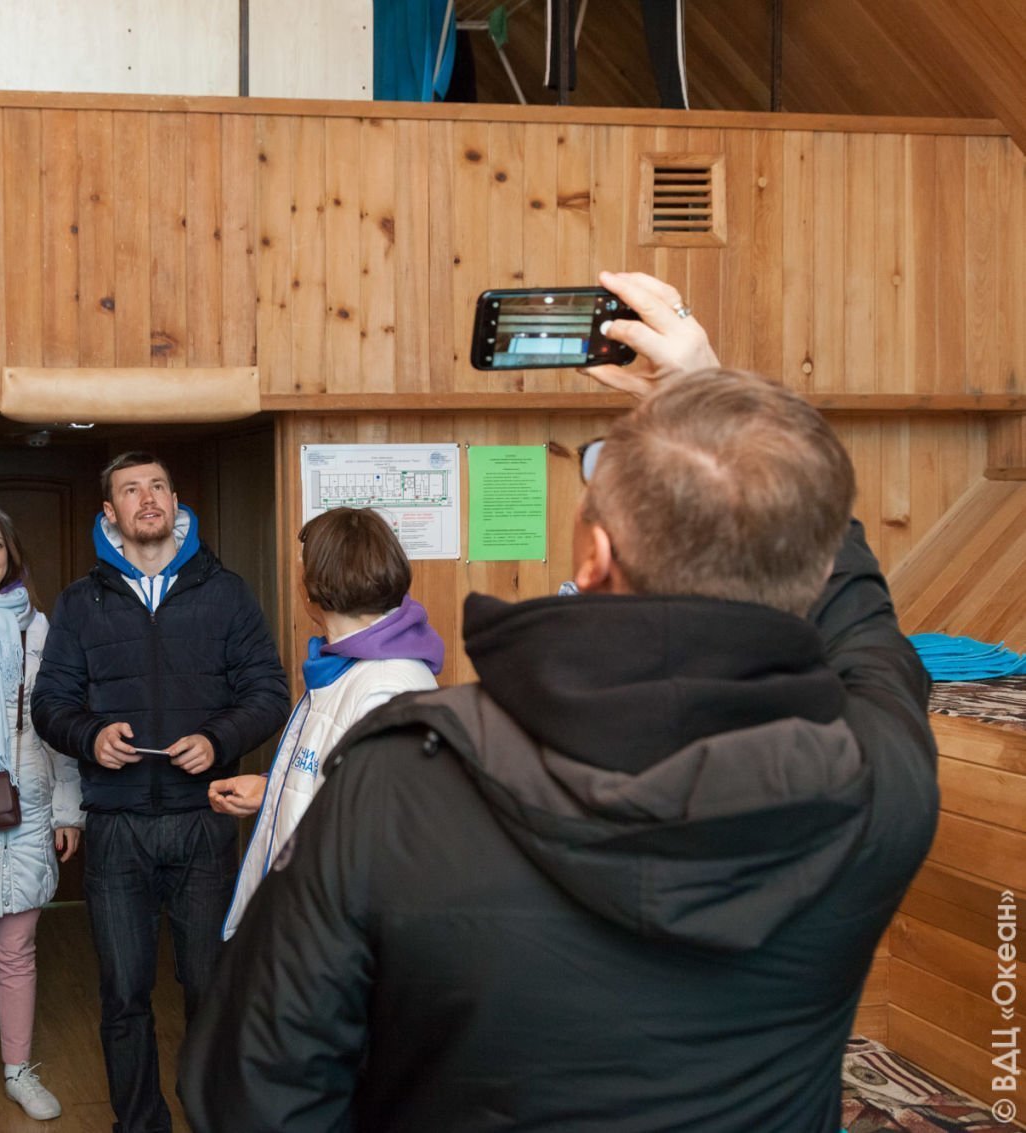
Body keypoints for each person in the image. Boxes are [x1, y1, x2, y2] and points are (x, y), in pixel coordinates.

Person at [179, 271, 941, 1131]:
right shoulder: (877, 778)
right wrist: (709, 392)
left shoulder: (401, 780)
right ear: (804, 563)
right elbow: (864, 620)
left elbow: (252, 1093)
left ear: (593, 555)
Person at [31, 452, 289, 1133]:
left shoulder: (225, 593)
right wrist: (90, 736)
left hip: (204, 821)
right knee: (124, 994)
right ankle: (139, 1124)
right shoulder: (80, 602)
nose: (147, 499)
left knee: (209, 988)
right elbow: (49, 704)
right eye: (130, 490)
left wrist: (218, 738)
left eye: (158, 487)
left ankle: (210, 1116)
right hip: (116, 828)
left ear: (175, 501)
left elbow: (269, 692)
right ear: (109, 512)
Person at [211, 506, 443, 940]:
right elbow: (339, 784)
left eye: (303, 567)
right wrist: (273, 788)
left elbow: (382, 851)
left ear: (314, 587)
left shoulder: (384, 690)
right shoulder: (344, 668)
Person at [0, 501, 81, 1128]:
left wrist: (67, 810)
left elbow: (56, 723)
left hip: (25, 805)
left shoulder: (37, 627)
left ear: (11, 553)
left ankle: (18, 1070)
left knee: (17, 951)